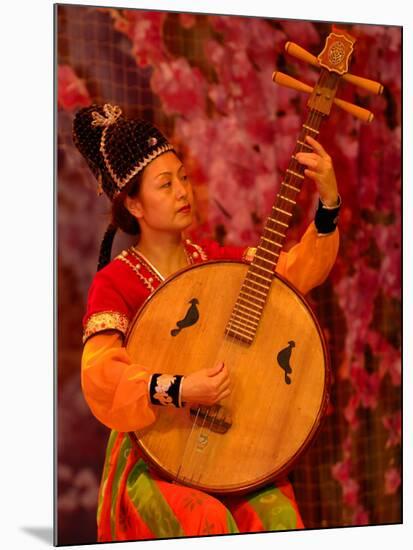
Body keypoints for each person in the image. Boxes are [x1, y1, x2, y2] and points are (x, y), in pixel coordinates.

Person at [73, 103, 341, 542]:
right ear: (135, 204)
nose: (183, 191)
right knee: (205, 523)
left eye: (182, 177)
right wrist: (180, 388)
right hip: (153, 456)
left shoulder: (212, 262)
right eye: (165, 184)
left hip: (231, 450)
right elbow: (101, 377)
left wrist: (328, 202)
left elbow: (291, 276)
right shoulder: (116, 281)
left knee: (278, 518)